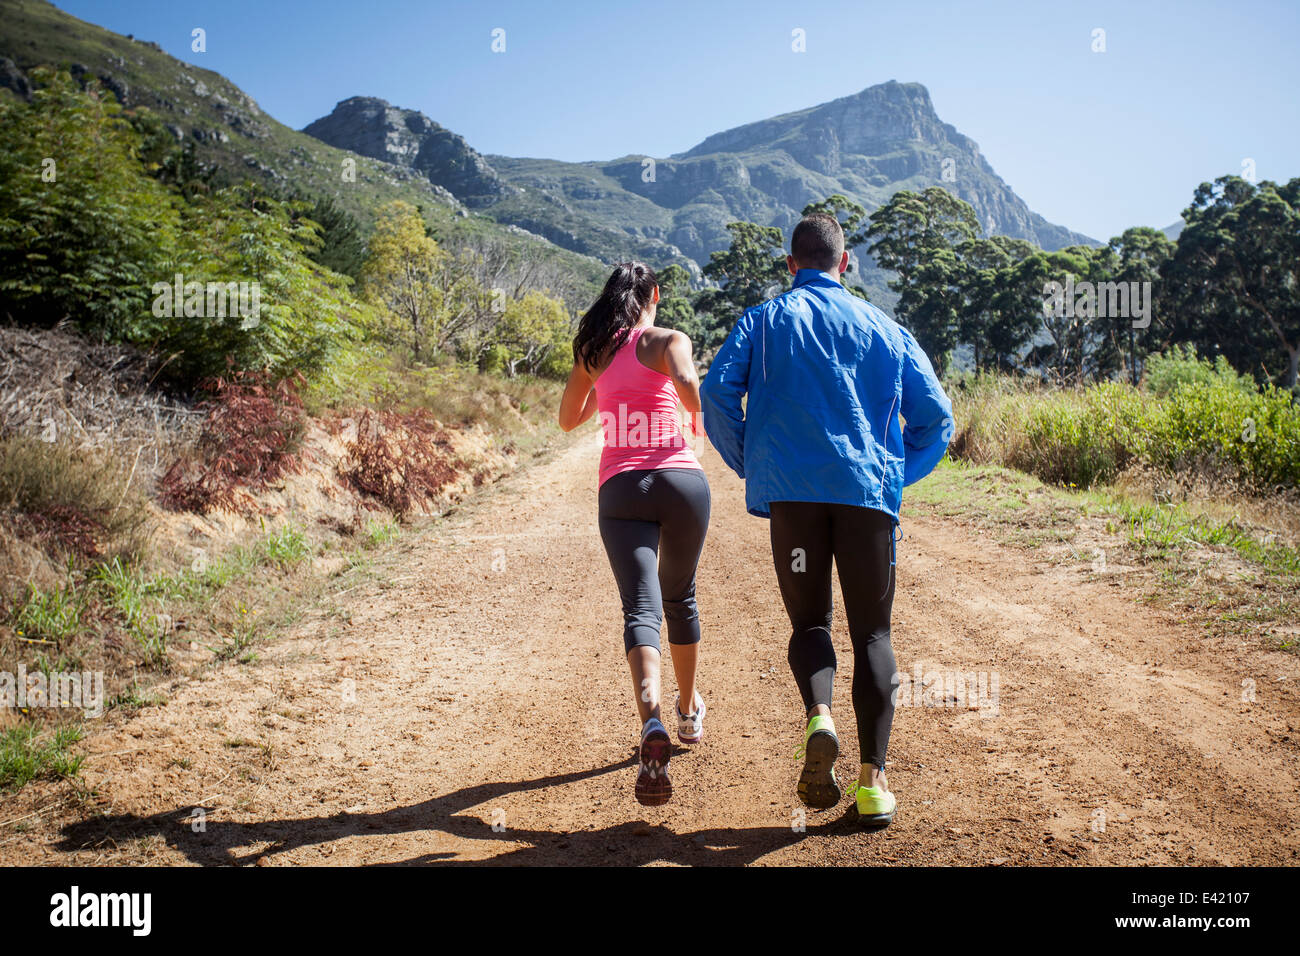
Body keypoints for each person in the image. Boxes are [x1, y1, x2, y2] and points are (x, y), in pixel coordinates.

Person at [700, 214, 951, 827]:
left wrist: (755, 464)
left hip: (793, 500)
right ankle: (873, 785)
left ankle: (820, 716)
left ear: (792, 266)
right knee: (873, 635)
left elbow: (715, 393)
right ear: (845, 264)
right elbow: (937, 419)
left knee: (811, 621)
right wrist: (892, 475)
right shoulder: (887, 328)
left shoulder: (762, 320)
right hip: (867, 497)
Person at [558, 262, 711, 807]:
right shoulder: (670, 339)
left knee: (640, 610)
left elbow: (567, 419)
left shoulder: (594, 350)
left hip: (621, 489)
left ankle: (652, 721)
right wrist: (688, 390)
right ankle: (689, 712)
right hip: (680, 481)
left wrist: (608, 389)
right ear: (655, 297)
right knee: (681, 595)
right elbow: (691, 394)